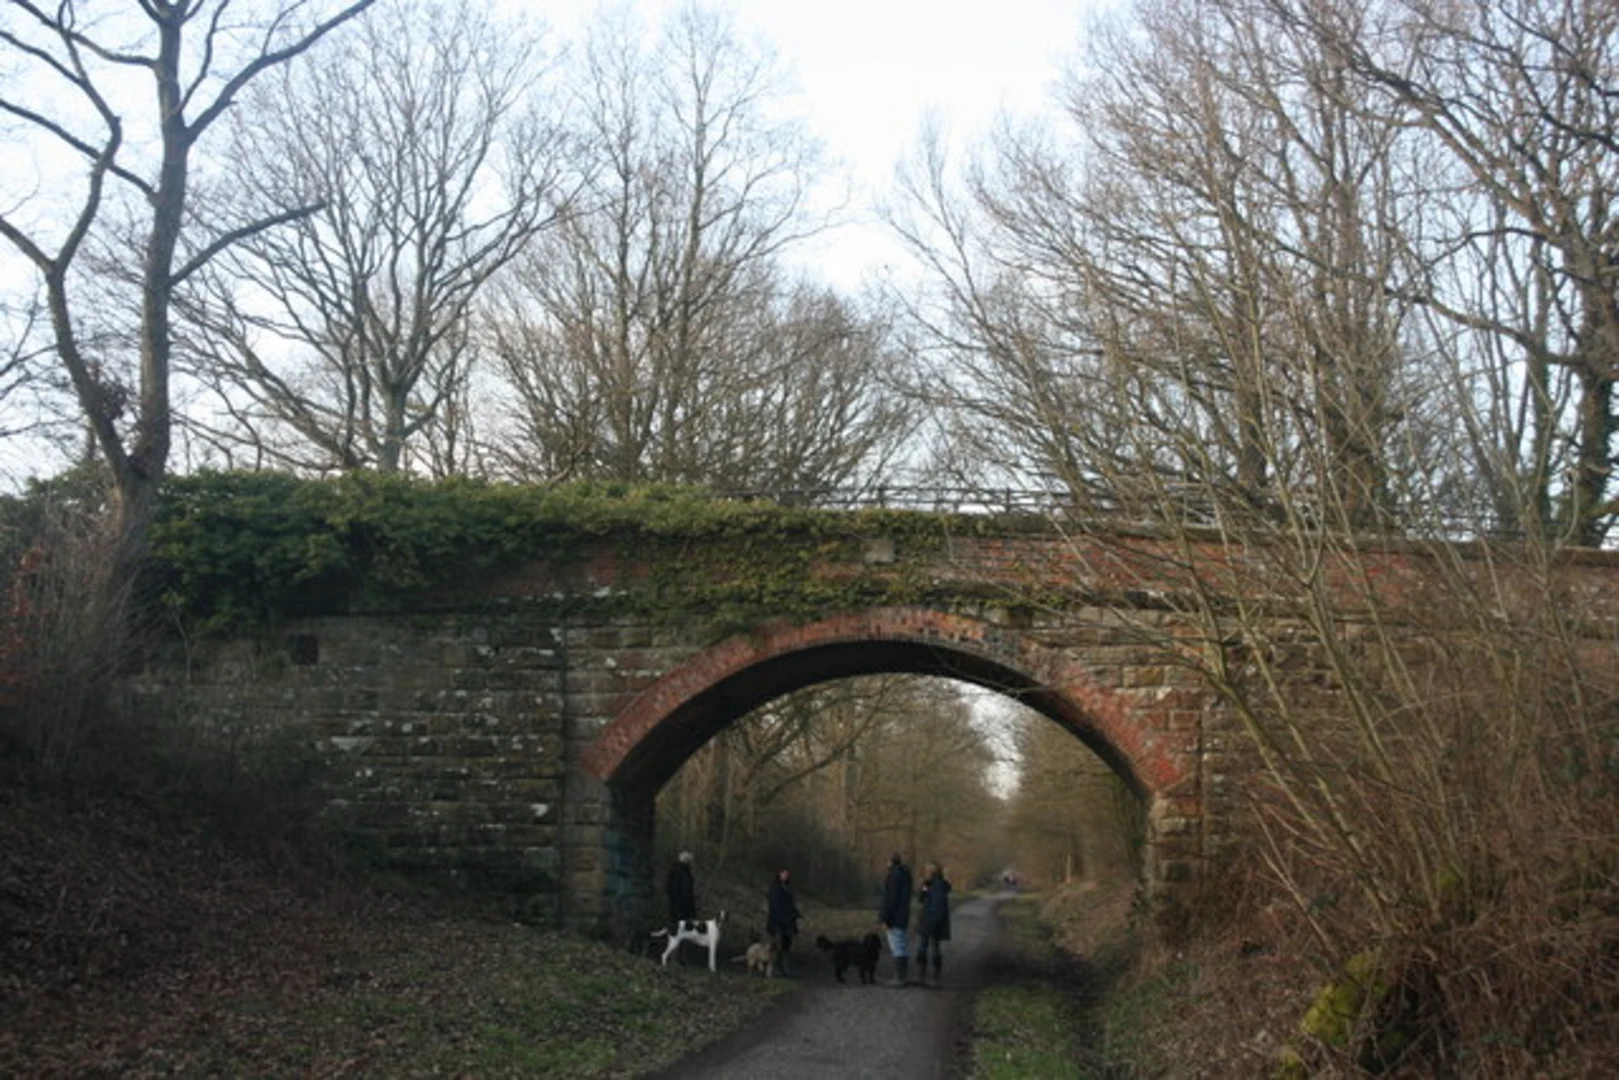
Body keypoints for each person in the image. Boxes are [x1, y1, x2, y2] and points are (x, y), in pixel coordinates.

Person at [877, 852, 913, 987]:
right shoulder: (905, 875)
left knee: (896, 945)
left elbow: (890, 899)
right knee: (902, 944)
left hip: (895, 917)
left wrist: (885, 918)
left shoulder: (894, 876)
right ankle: (902, 976)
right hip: (902, 916)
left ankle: (899, 978)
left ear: (890, 862)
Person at [915, 862, 952, 986]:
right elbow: (921, 899)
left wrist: (932, 922)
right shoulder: (933, 885)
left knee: (927, 946)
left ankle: (928, 974)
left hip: (930, 920)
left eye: (927, 870)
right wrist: (923, 889)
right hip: (931, 919)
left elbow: (935, 905)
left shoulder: (937, 886)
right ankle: (927, 973)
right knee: (930, 946)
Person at [765, 868, 803, 976]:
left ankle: (785, 969)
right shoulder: (775, 888)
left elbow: (790, 904)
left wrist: (795, 913)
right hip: (777, 922)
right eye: (783, 874)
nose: (786, 876)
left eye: (787, 874)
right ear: (779, 875)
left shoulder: (788, 888)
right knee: (775, 946)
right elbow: (774, 906)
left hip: (788, 922)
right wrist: (781, 918)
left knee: (786, 946)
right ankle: (772, 969)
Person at [666, 850, 696, 929]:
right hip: (682, 908)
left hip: (675, 906)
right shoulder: (683, 873)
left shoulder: (674, 871)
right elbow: (686, 892)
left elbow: (669, 888)